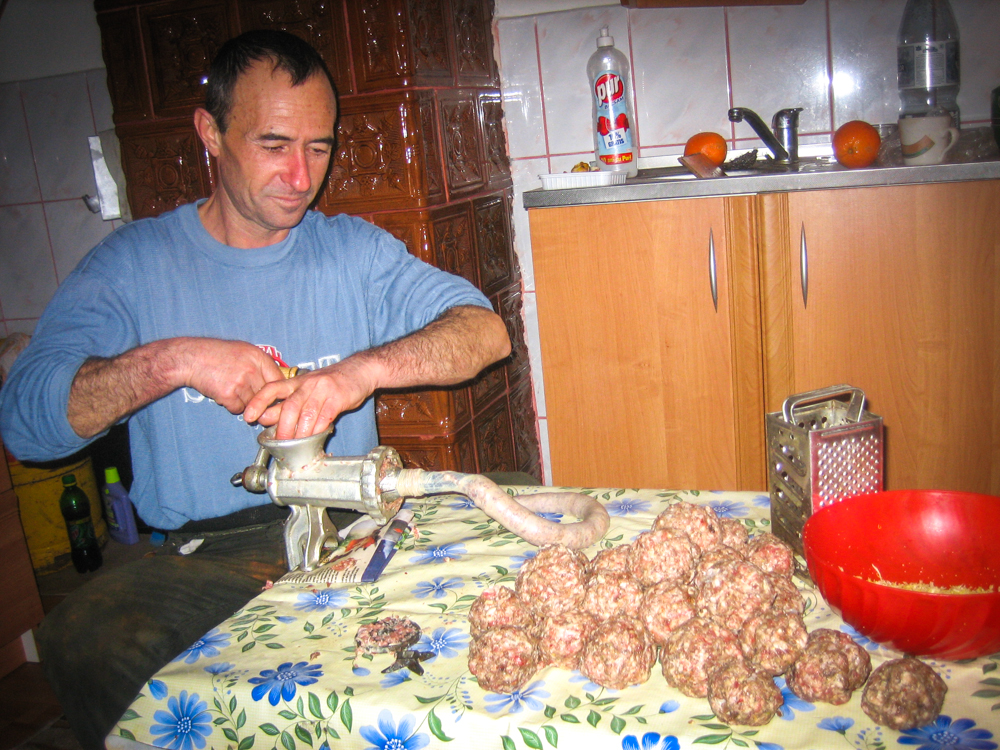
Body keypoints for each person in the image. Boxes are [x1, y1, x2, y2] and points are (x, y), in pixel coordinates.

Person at [0, 29, 510, 749]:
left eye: (320, 148)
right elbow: (24, 421)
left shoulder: (351, 252)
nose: (301, 177)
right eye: (274, 145)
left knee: (499, 548)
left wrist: (357, 372)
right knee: (88, 636)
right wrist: (170, 361)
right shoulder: (132, 265)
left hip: (359, 532)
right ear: (211, 132)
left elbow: (486, 333)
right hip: (207, 556)